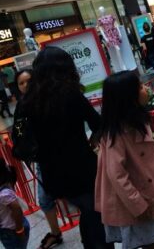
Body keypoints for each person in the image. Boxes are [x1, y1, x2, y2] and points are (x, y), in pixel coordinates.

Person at [21, 46, 112, 248]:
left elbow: (20, 136)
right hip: (81, 167)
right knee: (96, 216)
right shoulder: (70, 94)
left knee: (88, 212)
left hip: (52, 174)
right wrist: (93, 140)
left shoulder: (28, 101)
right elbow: (97, 122)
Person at [95, 71, 154, 249]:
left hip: (151, 194)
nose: (146, 88)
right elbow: (116, 175)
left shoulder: (138, 119)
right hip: (140, 203)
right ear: (128, 97)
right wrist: (138, 205)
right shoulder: (115, 134)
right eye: (140, 87)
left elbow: (152, 147)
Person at [13, 69, 62, 249]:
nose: (26, 85)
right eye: (21, 83)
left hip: (62, 155)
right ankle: (55, 232)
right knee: (45, 199)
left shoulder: (50, 99)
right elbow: (18, 132)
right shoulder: (21, 107)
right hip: (42, 160)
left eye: (29, 80)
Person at [0, 160, 28, 249]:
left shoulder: (3, 193)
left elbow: (16, 208)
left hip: (11, 231)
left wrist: (20, 230)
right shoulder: (5, 187)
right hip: (13, 228)